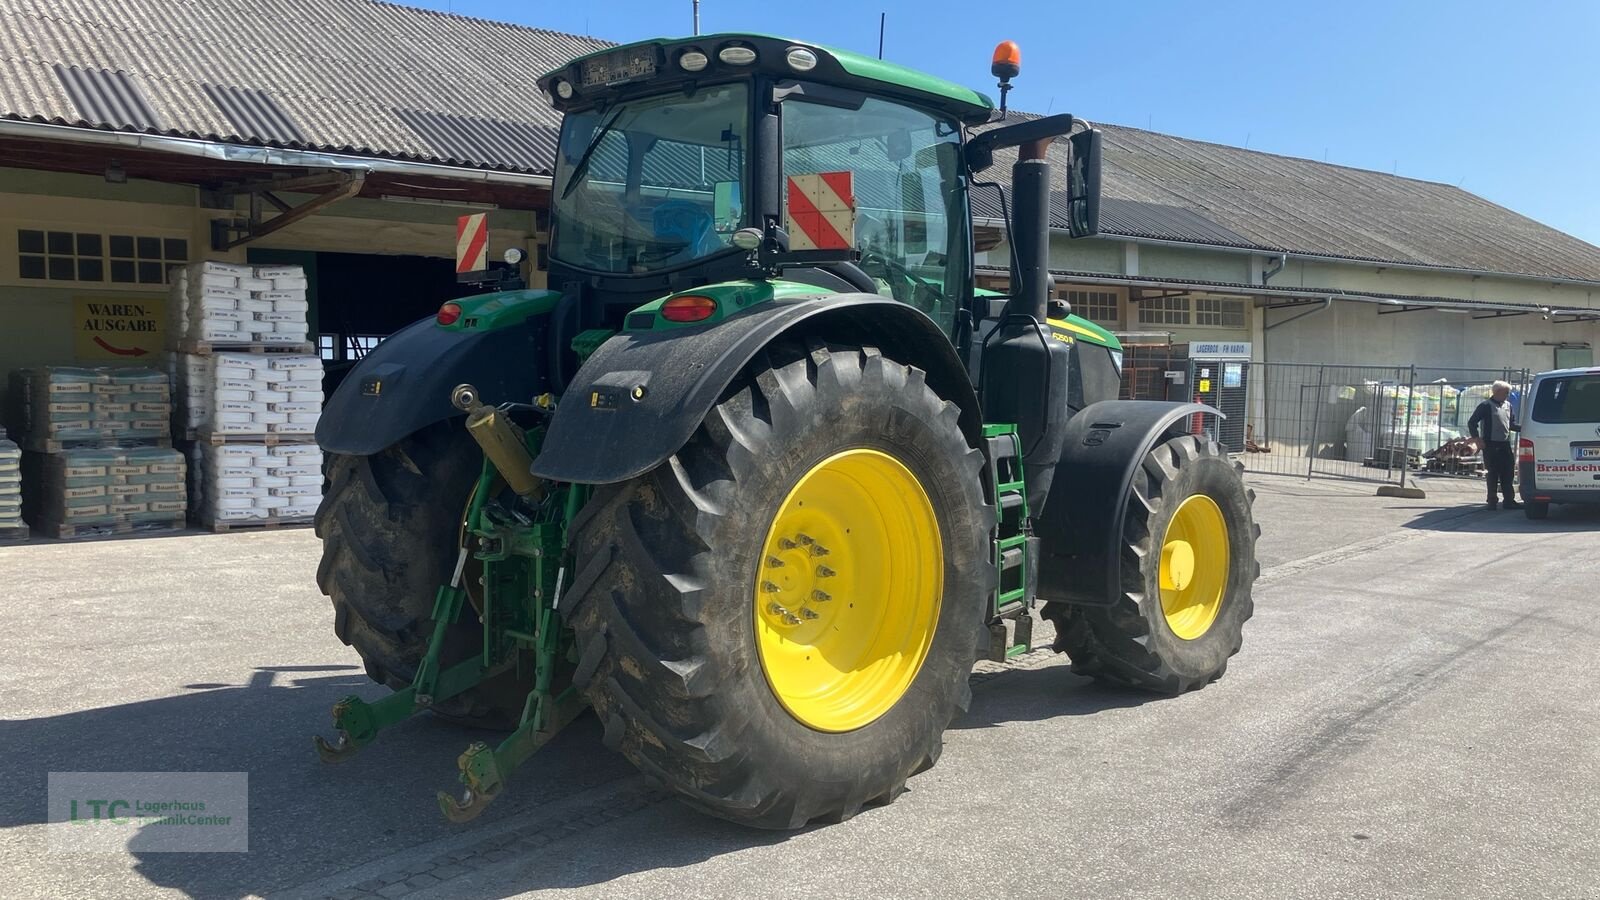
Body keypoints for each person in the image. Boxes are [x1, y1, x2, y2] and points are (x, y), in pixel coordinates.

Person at [1467, 381, 1521, 510]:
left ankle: (1509, 500)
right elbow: (1472, 422)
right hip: (1490, 444)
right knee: (1493, 473)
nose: (1508, 395)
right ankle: (1492, 501)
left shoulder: (1508, 405)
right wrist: (1477, 439)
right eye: (1506, 392)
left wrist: (1526, 428)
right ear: (1497, 392)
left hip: (1505, 443)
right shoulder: (1485, 406)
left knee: (1508, 472)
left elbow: (1511, 425)